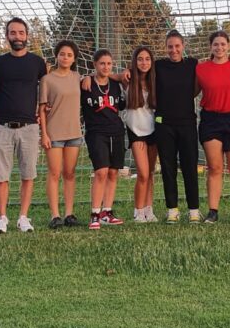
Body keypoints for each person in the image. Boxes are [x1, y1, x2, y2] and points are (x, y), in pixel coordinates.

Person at [0, 17, 47, 233]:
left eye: (21, 33)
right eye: (13, 33)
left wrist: (43, 111)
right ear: (7, 36)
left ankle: (23, 217)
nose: (17, 37)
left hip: (30, 128)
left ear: (27, 36)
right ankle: (3, 217)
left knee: (28, 174)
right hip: (2, 126)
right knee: (1, 174)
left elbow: (47, 88)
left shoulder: (38, 63)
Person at [196, 30, 230, 224]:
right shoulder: (201, 69)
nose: (219, 47)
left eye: (223, 44)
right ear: (211, 47)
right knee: (215, 167)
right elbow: (191, 92)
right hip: (211, 120)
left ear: (229, 46)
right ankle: (213, 211)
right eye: (215, 44)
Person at [154, 30, 202, 223]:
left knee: (190, 167)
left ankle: (194, 211)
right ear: (165, 48)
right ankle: (172, 210)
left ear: (183, 46)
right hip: (164, 124)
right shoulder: (158, 66)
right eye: (170, 46)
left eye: (177, 46)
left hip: (187, 123)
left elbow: (201, 82)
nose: (173, 50)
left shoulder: (193, 64)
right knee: (168, 168)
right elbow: (134, 72)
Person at [39, 40, 83, 229]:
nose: (65, 57)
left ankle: (69, 213)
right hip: (54, 132)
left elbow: (99, 77)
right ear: (57, 56)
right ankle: (55, 215)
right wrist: (44, 134)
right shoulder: (47, 79)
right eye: (62, 54)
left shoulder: (77, 77)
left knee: (70, 173)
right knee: (55, 173)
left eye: (69, 55)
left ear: (74, 59)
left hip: (74, 133)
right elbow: (42, 109)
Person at [81, 49, 126, 229]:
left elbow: (122, 104)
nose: (106, 67)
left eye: (109, 63)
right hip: (96, 132)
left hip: (116, 131)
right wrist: (86, 76)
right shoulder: (86, 84)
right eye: (102, 63)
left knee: (113, 172)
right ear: (95, 65)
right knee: (101, 172)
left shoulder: (116, 84)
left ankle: (107, 212)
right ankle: (95, 213)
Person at [121, 46, 158, 222]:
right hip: (136, 133)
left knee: (150, 173)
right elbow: (107, 76)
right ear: (135, 62)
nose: (144, 62)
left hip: (153, 131)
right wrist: (89, 79)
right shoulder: (127, 80)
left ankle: (148, 210)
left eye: (147, 59)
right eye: (140, 59)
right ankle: (138, 210)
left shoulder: (155, 81)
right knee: (142, 173)